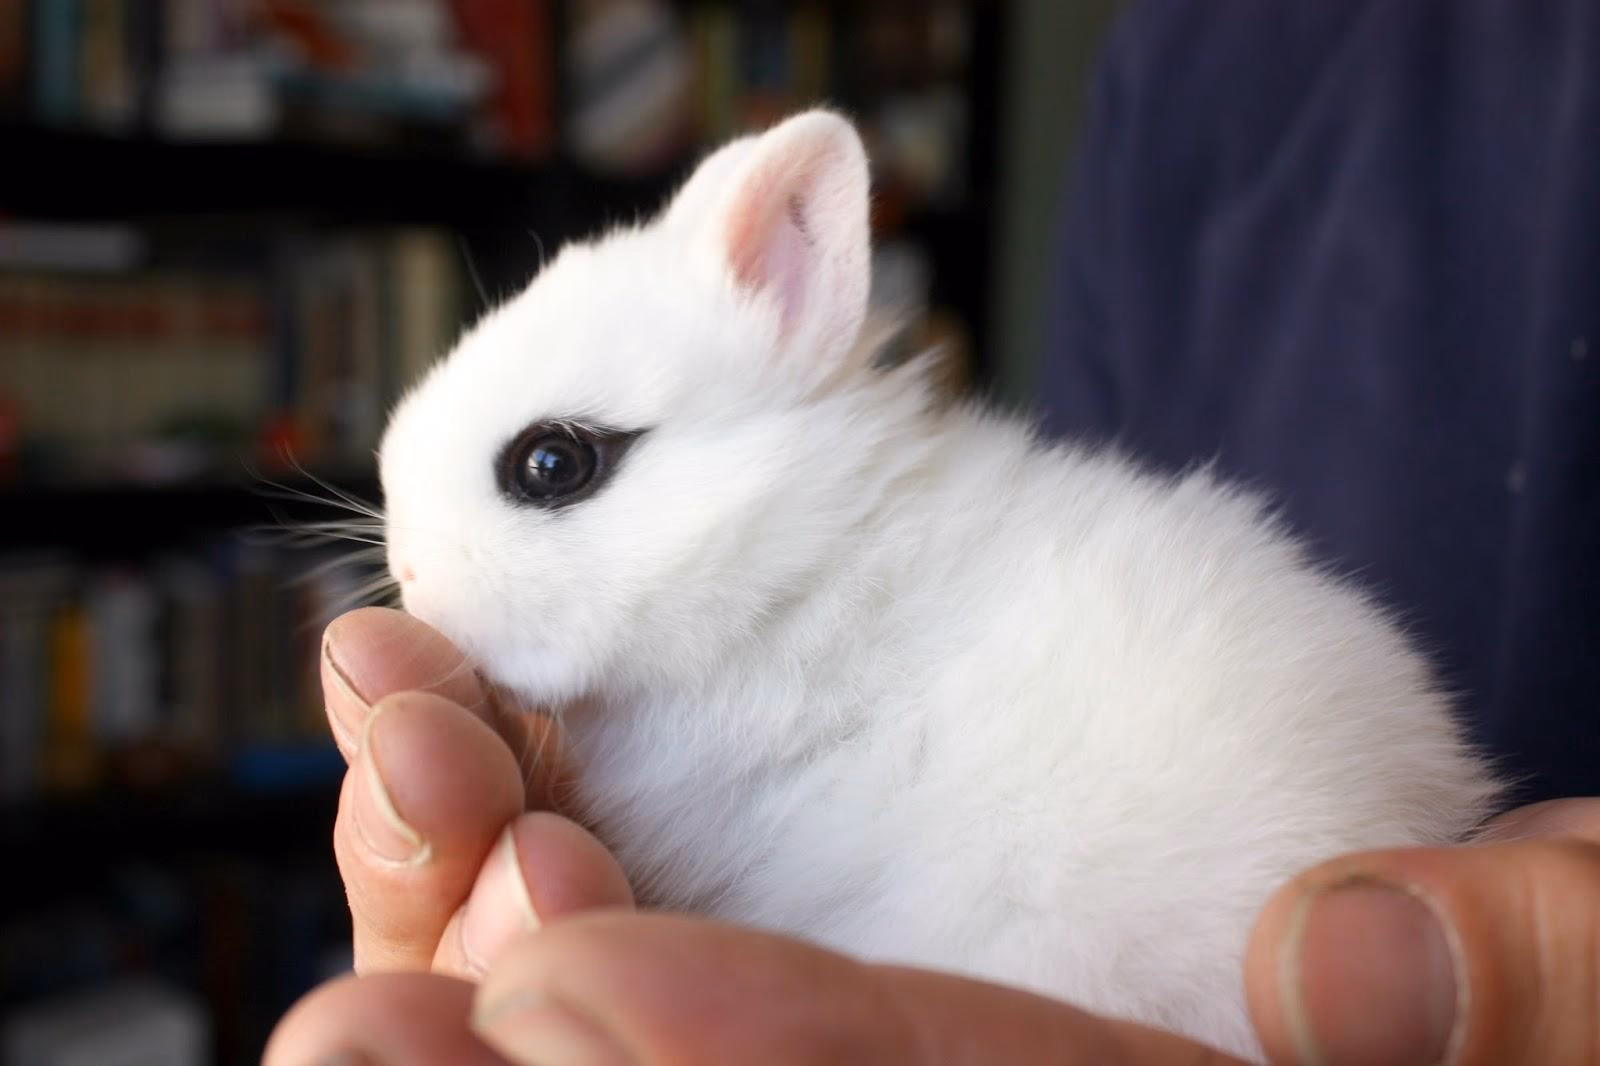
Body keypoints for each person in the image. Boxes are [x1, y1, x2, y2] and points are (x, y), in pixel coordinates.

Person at [266, 1, 1600, 1062]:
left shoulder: (872, 596)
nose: (416, 574)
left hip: (1195, 926)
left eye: (554, 467)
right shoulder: (1205, 63)